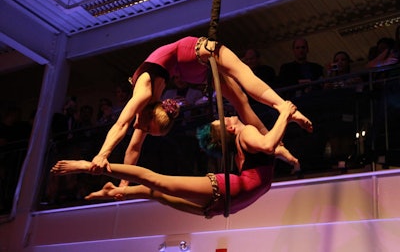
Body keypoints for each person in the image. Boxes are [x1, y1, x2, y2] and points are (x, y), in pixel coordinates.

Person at [92, 36, 312, 187]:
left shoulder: (142, 95)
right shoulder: (149, 108)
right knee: (240, 96)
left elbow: (121, 126)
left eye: (148, 129)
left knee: (242, 79)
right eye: (150, 131)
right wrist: (124, 183)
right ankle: (279, 138)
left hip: (188, 54)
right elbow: (134, 148)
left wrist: (103, 154)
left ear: (151, 116)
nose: (142, 130)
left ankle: (283, 118)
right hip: (190, 66)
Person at [51, 100, 299, 218]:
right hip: (233, 195)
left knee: (157, 192)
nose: (232, 117)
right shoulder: (246, 132)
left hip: (234, 200)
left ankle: (115, 192)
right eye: (227, 119)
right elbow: (269, 144)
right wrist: (284, 115)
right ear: (230, 130)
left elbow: (273, 148)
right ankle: (91, 166)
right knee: (157, 182)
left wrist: (290, 158)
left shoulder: (244, 139)